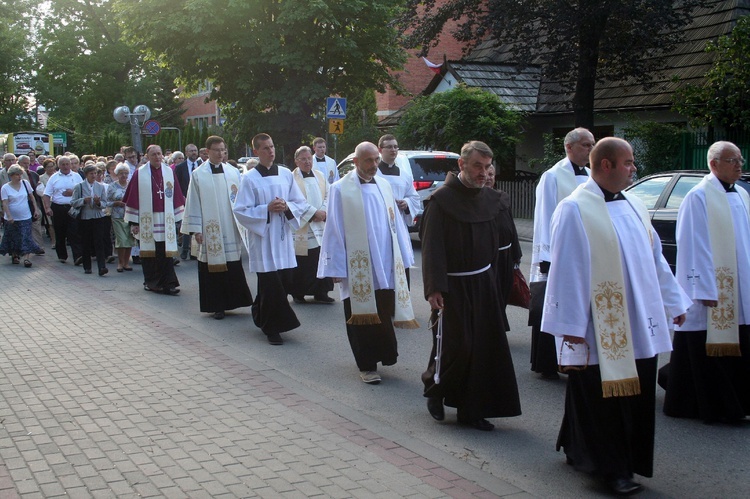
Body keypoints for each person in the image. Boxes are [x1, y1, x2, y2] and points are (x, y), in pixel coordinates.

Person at [541, 137, 691, 496]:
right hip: (599, 326)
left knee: (632, 397)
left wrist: (676, 303)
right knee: (603, 401)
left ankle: (590, 450)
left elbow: (655, 259)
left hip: (640, 321)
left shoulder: (636, 204)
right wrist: (570, 330)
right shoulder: (575, 208)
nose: (633, 168)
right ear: (605, 165)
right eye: (628, 162)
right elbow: (568, 270)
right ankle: (611, 470)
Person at [420, 141, 521, 431]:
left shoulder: (490, 199)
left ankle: (471, 409)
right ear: (462, 165)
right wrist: (434, 288)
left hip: (484, 283)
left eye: (488, 166)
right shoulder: (441, 201)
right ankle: (435, 390)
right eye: (478, 166)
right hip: (452, 286)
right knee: (456, 345)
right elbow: (432, 248)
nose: (484, 172)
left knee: (483, 348)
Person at [317, 141, 419, 384]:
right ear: (355, 162)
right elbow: (334, 229)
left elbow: (395, 227)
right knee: (360, 315)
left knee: (383, 312)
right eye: (368, 161)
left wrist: (403, 256)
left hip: (384, 262)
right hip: (357, 265)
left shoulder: (384, 185)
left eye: (376, 160)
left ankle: (384, 354)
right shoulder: (340, 189)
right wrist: (336, 267)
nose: (374, 165)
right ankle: (366, 365)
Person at [663, 141, 750, 424]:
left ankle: (737, 402)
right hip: (713, 289)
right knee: (704, 346)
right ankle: (703, 404)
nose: (740, 165)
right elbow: (692, 244)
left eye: (740, 160)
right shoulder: (698, 196)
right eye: (732, 160)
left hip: (741, 286)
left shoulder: (742, 195)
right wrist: (702, 287)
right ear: (714, 164)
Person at [529, 127, 595, 380]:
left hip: (582, 252)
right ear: (569, 147)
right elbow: (544, 215)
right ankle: (546, 361)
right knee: (553, 303)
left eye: (592, 145)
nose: (590, 149)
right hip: (556, 252)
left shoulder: (590, 175)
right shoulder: (553, 176)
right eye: (585, 145)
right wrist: (546, 256)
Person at [233, 133, 305, 345]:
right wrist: (267, 209)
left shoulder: (285, 174)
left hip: (282, 238)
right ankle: (272, 328)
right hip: (263, 239)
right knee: (271, 285)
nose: (270, 151)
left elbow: (298, 201)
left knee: (283, 282)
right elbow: (240, 210)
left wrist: (286, 206)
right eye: (265, 148)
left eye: (272, 146)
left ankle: (259, 310)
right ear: (256, 152)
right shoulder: (249, 178)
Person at [182, 136, 253, 320]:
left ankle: (234, 300)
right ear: (207, 152)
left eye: (223, 150)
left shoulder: (233, 172)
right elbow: (193, 202)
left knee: (232, 264)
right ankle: (217, 305)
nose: (220, 154)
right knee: (213, 267)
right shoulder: (199, 174)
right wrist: (197, 229)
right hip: (209, 228)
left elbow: (242, 199)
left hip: (230, 226)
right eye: (216, 150)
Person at [123, 144, 185, 295]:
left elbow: (176, 193)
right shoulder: (140, 173)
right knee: (151, 253)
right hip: (147, 219)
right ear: (147, 156)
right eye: (154, 154)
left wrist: (179, 218)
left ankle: (169, 283)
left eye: (159, 154)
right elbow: (133, 198)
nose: (157, 157)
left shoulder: (169, 171)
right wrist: (134, 222)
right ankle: (152, 282)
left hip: (166, 218)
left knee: (166, 252)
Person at [289, 145, 334, 304]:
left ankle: (321, 292)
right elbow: (292, 201)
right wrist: (312, 213)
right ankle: (298, 292)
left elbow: (329, 195)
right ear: (296, 161)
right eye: (303, 159)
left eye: (309, 158)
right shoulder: (291, 178)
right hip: (303, 225)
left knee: (320, 258)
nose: (307, 162)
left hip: (320, 223)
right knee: (303, 260)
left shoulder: (320, 176)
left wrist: (323, 211)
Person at [70, 164, 109, 276]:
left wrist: (98, 202)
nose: (94, 175)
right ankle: (87, 266)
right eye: (91, 173)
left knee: (99, 242)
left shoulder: (100, 187)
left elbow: (104, 203)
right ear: (86, 174)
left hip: (98, 217)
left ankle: (102, 266)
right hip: (85, 217)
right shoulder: (79, 186)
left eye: (95, 173)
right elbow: (73, 202)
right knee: (86, 241)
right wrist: (83, 201)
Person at [43, 155, 83, 264]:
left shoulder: (77, 176)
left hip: (73, 207)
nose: (65, 166)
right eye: (63, 164)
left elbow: (83, 191)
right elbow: (46, 194)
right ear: (59, 165)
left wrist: (73, 192)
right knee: (60, 232)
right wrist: (47, 208)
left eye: (67, 164)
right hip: (58, 207)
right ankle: (62, 255)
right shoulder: (54, 177)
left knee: (74, 231)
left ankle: (78, 256)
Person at [1, 165, 41, 267]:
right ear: (11, 176)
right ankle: (15, 255)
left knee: (26, 236)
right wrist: (9, 216)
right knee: (13, 237)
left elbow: (32, 197)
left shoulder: (25, 183)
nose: (19, 177)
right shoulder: (5, 188)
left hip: (25, 216)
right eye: (16, 175)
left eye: (20, 174)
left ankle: (26, 259)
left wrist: (35, 209)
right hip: (11, 218)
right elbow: (5, 203)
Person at [175, 143, 201, 260]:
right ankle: (185, 250)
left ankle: (196, 251)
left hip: (201, 200)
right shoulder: (180, 167)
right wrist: (182, 197)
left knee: (199, 225)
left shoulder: (202, 165)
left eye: (195, 150)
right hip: (185, 199)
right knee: (187, 225)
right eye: (191, 151)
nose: (194, 153)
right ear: (186, 153)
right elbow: (177, 185)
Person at [107, 163, 135, 272]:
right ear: (117, 174)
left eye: (126, 173)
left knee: (129, 239)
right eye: (121, 173)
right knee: (121, 239)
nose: (124, 175)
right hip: (117, 216)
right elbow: (106, 202)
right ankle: (120, 262)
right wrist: (116, 203)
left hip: (130, 215)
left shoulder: (131, 185)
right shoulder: (112, 186)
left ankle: (126, 262)